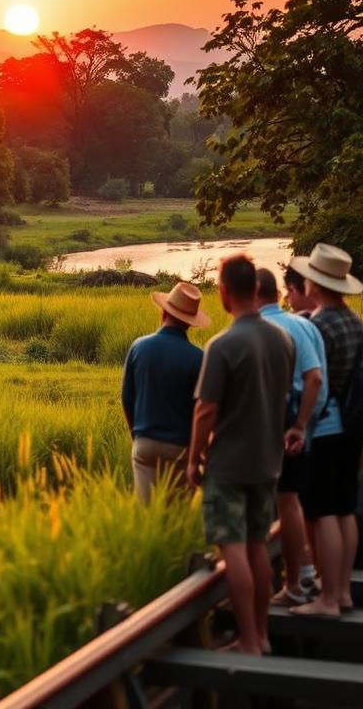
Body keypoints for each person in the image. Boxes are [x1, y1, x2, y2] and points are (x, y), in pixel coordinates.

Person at [187, 254, 294, 654]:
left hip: (229, 466)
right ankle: (262, 636)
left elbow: (206, 409)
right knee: (258, 548)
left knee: (233, 550)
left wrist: (195, 458)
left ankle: (248, 641)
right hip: (268, 462)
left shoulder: (223, 345)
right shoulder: (282, 340)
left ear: (226, 291)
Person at [288, 243, 363, 617]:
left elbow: (312, 381)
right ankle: (344, 591)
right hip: (351, 428)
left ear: (315, 285)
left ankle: (328, 598)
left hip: (326, 427)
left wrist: (300, 425)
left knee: (322, 511)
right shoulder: (353, 322)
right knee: (346, 508)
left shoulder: (317, 325)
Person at [255, 268, 325, 606]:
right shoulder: (304, 324)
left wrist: (296, 424)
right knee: (292, 502)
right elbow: (319, 381)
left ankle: (294, 580)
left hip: (276, 431)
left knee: (283, 504)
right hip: (305, 429)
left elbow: (313, 379)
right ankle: (306, 574)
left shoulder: (266, 330)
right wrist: (307, 423)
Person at [122, 282, 209, 502]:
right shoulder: (198, 357)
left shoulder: (139, 347)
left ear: (164, 313)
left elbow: (127, 397)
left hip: (144, 444)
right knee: (176, 519)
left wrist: (137, 435)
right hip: (180, 448)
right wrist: (199, 452)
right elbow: (202, 409)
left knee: (147, 517)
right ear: (190, 324)